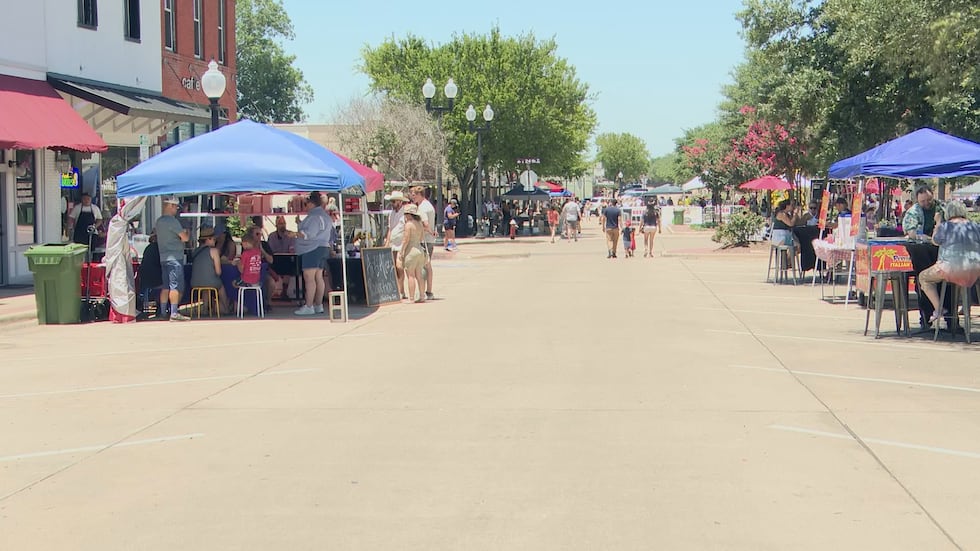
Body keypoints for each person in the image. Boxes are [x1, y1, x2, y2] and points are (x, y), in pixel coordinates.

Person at [916, 201, 980, 325]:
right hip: (975, 268)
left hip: (951, 268)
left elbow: (935, 241)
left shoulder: (945, 226)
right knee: (964, 283)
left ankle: (939, 308)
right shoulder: (975, 226)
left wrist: (938, 223)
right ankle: (962, 315)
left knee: (923, 277)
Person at [291, 191, 333, 315]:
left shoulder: (314, 216)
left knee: (309, 278)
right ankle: (318, 305)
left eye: (305, 203)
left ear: (310, 203)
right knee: (318, 277)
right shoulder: (325, 216)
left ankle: (309, 305)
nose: (305, 206)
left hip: (312, 249)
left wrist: (293, 233)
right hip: (322, 248)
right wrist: (300, 224)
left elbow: (309, 234)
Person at [155, 197, 190, 321]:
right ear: (170, 206)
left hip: (163, 257)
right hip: (175, 257)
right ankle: (174, 312)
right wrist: (187, 232)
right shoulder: (173, 222)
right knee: (175, 285)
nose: (176, 209)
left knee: (165, 286)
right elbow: (184, 238)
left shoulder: (158, 222)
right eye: (175, 207)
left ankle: (163, 312)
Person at [189, 226, 229, 315]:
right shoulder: (214, 251)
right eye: (214, 239)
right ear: (208, 239)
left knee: (205, 288)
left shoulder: (195, 251)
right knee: (220, 286)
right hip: (211, 282)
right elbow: (218, 272)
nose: (215, 241)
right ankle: (226, 308)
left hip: (194, 282)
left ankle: (204, 309)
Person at [409, 186, 436, 300]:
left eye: (413, 194)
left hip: (425, 240)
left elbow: (425, 224)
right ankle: (428, 291)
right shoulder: (426, 206)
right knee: (427, 265)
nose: (412, 196)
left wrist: (417, 229)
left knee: (423, 266)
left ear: (420, 194)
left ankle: (423, 291)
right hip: (428, 239)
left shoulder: (423, 208)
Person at [399, 203, 428, 303]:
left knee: (410, 275)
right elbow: (421, 237)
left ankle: (411, 297)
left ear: (409, 214)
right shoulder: (419, 224)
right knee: (419, 274)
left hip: (411, 250)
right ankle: (422, 296)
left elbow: (405, 239)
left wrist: (401, 251)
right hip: (419, 249)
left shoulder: (409, 225)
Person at [384, 190, 408, 299]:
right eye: (392, 202)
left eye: (394, 202)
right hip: (393, 244)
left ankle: (401, 290)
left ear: (399, 201)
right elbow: (390, 228)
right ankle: (399, 290)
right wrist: (387, 242)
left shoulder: (405, 213)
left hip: (401, 244)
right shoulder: (392, 213)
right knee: (394, 267)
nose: (392, 204)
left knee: (399, 267)